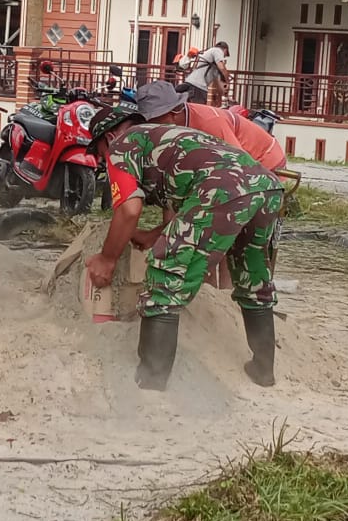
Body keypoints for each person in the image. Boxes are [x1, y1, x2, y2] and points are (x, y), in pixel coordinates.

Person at [84, 106, 286, 392]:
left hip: (223, 189)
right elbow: (180, 200)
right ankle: (263, 370)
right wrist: (155, 234)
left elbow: (129, 210)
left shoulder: (121, 146)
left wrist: (107, 258)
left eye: (98, 153)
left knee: (167, 271)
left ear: (108, 137)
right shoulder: (166, 138)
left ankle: (151, 379)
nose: (103, 160)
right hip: (265, 185)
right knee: (252, 273)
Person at [131, 79, 289, 176]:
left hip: (266, 164)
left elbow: (239, 162)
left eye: (154, 119)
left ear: (173, 112)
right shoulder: (175, 124)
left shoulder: (211, 122)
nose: (150, 126)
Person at [182, 40, 231, 106]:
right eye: (225, 55)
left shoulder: (213, 66)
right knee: (198, 112)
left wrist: (226, 96)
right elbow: (222, 68)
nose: (224, 57)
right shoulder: (217, 50)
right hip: (198, 87)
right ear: (225, 50)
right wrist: (228, 81)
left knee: (187, 110)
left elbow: (219, 84)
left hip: (190, 83)